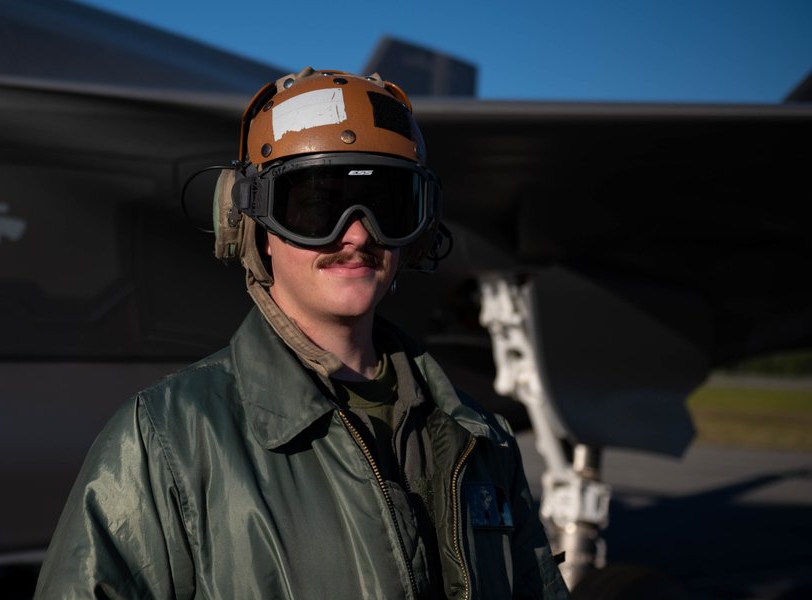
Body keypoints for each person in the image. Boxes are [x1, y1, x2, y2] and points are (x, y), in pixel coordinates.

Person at [35, 68, 569, 599]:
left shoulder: (480, 440)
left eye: (387, 206)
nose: (358, 234)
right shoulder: (169, 440)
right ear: (254, 226)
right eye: (317, 208)